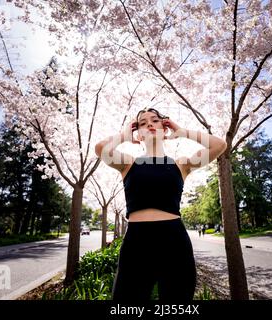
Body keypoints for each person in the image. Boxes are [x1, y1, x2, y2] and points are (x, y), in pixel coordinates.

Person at [95, 107, 227, 301]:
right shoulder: (128, 163)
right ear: (138, 133)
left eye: (155, 120)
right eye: (142, 123)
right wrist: (124, 135)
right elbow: (100, 148)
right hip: (136, 243)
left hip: (174, 242)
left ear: (164, 128)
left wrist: (182, 132)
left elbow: (219, 145)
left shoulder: (181, 164)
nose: (149, 124)